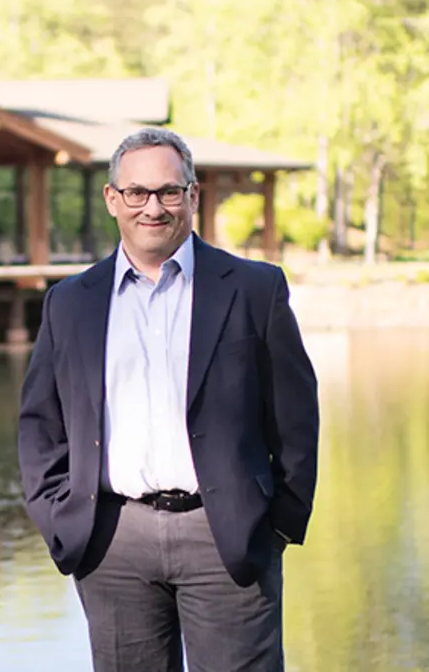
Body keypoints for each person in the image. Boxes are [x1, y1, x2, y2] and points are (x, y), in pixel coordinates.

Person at [16, 126, 320, 671]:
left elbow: (296, 416)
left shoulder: (254, 289)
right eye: (136, 192)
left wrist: (276, 525)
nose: (152, 207)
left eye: (168, 191)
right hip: (112, 542)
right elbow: (41, 425)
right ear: (113, 199)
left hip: (226, 536)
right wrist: (61, 520)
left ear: (193, 195)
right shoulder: (70, 303)